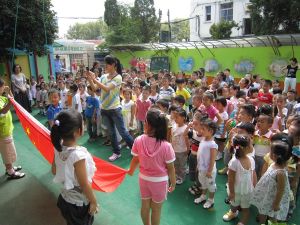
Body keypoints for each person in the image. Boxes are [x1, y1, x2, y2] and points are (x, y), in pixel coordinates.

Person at [128, 108, 176, 225]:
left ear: (147, 124)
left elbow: (135, 158)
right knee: (156, 210)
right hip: (159, 182)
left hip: (143, 179)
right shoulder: (166, 146)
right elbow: (171, 167)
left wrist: (131, 170)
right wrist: (173, 183)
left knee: (145, 206)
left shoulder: (138, 140)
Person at [51, 110, 98, 225]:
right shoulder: (78, 155)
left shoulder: (59, 147)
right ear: (78, 131)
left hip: (65, 198)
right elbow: (84, 184)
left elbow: (54, 170)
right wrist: (94, 202)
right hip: (78, 204)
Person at [87, 55, 134, 161]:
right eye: (105, 64)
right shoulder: (103, 77)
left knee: (123, 132)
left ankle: (135, 149)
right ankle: (116, 152)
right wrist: (90, 79)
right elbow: (95, 89)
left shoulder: (118, 77)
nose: (105, 66)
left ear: (113, 65)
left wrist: (94, 79)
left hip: (115, 109)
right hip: (104, 109)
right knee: (111, 133)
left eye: (107, 64)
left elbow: (107, 89)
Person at [250, 138, 291, 224]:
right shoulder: (273, 164)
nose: (269, 153)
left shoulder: (280, 172)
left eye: (271, 151)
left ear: (276, 155)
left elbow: (280, 190)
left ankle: (273, 222)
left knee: (273, 215)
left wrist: (276, 204)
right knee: (263, 211)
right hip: (267, 194)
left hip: (273, 198)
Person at [223, 135, 257, 225]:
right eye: (251, 145)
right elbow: (230, 179)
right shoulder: (234, 162)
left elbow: (253, 174)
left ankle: (243, 222)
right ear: (243, 148)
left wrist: (254, 186)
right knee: (234, 205)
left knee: (246, 208)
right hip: (236, 191)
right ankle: (233, 212)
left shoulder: (251, 159)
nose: (252, 147)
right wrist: (232, 193)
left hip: (248, 190)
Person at [0, 79, 25, 179]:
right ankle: (11, 172)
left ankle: (9, 168)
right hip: (2, 132)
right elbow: (2, 112)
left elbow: (12, 99)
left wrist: (8, 91)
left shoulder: (1, 97)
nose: (3, 88)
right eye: (2, 86)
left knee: (9, 151)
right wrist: (10, 102)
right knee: (7, 152)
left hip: (7, 129)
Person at [193, 119, 218, 209]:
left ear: (210, 131)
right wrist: (198, 165)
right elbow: (200, 154)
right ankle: (203, 196)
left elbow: (212, 159)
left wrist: (209, 171)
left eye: (203, 129)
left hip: (209, 171)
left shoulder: (212, 144)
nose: (200, 131)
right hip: (201, 168)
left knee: (211, 185)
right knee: (203, 183)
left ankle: (211, 200)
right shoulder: (203, 140)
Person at [171, 108, 189, 185]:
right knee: (176, 164)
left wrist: (188, 149)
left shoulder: (185, 128)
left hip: (182, 150)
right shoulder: (174, 126)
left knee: (182, 165)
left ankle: (181, 177)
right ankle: (177, 175)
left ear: (183, 118)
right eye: (175, 117)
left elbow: (187, 140)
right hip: (174, 149)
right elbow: (172, 137)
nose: (175, 119)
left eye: (177, 117)